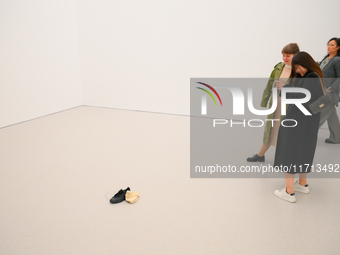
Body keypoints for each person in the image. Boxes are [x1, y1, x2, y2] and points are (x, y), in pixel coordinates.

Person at [273, 52, 324, 203]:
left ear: (305, 62)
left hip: (298, 121)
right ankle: (303, 184)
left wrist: (284, 89)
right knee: (304, 149)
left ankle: (289, 192)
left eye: (297, 66)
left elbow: (302, 96)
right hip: (308, 122)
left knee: (290, 150)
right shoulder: (313, 76)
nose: (297, 70)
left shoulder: (311, 77)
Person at [247, 43, 300, 162]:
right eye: (283, 55)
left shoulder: (300, 70)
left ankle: (288, 158)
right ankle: (261, 155)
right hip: (276, 104)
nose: (285, 58)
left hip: (290, 106)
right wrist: (264, 100)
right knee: (271, 129)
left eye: (288, 55)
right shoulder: (279, 67)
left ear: (296, 55)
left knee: (287, 132)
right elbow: (270, 84)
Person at [318, 37, 340, 144]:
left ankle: (307, 135)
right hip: (323, 90)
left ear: (338, 47)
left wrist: (331, 89)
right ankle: (336, 138)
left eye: (332, 45)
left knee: (319, 114)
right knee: (332, 116)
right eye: (328, 44)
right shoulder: (326, 59)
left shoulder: (337, 60)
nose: (329, 47)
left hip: (329, 92)